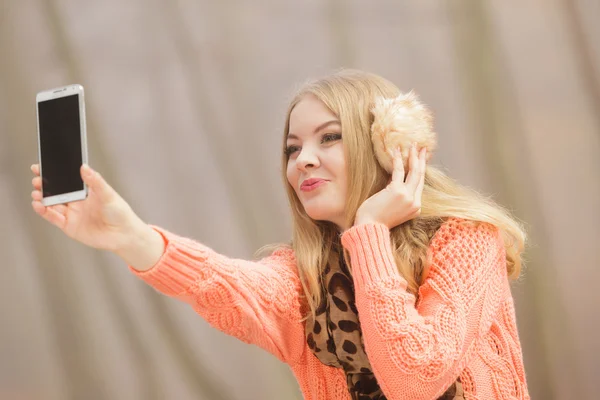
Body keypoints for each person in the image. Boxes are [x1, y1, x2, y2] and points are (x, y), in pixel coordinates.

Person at [30, 69, 530, 400]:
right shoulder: (302, 276)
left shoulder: (467, 241)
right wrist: (129, 235)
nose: (303, 159)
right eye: (293, 148)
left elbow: (416, 374)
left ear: (388, 146)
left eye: (329, 137)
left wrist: (371, 231)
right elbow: (224, 284)